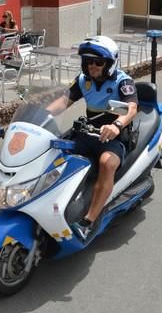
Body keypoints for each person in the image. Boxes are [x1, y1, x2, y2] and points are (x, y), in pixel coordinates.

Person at [46, 36, 139, 239]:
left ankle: (89, 221)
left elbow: (131, 108)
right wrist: (40, 117)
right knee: (55, 152)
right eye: (88, 61)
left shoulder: (122, 81)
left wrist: (116, 125)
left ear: (110, 64)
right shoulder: (83, 80)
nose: (92, 66)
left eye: (98, 62)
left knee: (106, 163)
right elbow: (63, 102)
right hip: (87, 132)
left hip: (113, 137)